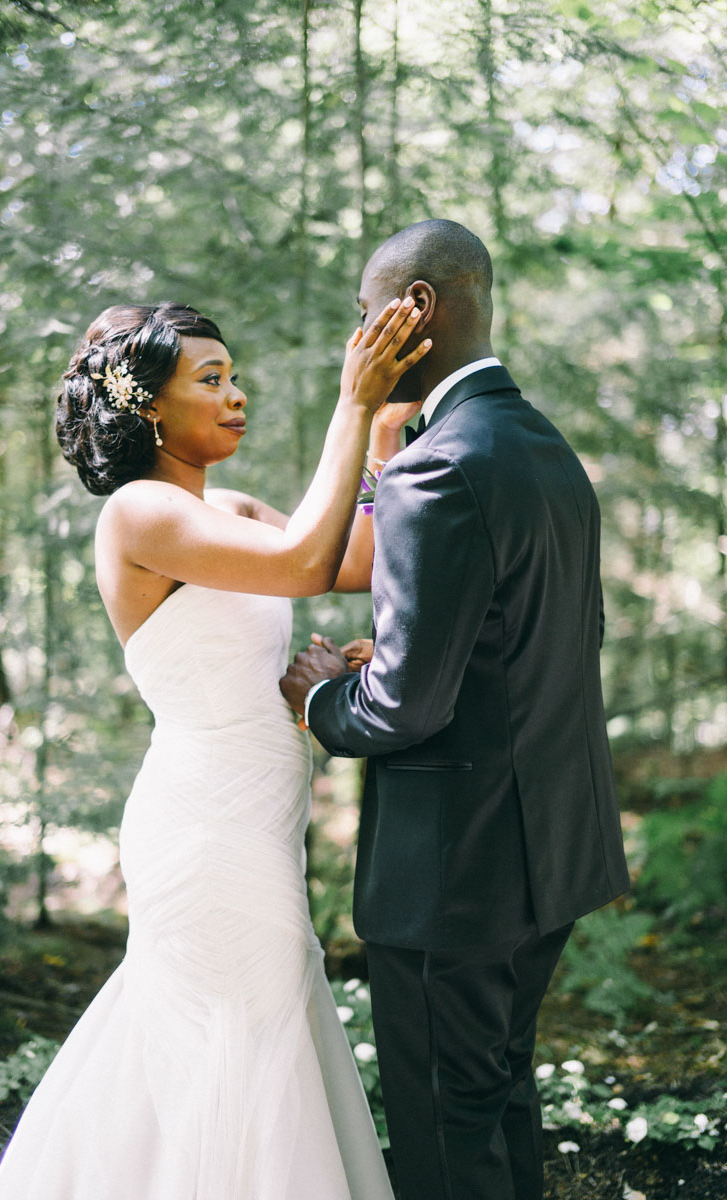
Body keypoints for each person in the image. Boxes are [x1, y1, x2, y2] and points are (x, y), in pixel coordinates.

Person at [0, 298, 431, 1200]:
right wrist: (347, 404)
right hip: (204, 830)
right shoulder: (139, 515)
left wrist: (382, 437)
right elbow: (306, 563)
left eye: (235, 377)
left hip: (260, 821)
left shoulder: (227, 508)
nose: (238, 396)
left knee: (249, 1038)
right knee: (237, 1042)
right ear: (148, 406)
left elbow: (362, 558)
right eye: (212, 381)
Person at [280, 219, 631, 1200]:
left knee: (444, 1136)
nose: (357, 338)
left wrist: (322, 695)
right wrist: (398, 655)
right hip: (548, 851)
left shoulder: (439, 467)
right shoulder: (536, 444)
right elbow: (526, 643)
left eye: (364, 315)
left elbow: (397, 711)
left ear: (413, 310)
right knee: (493, 1101)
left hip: (456, 872)